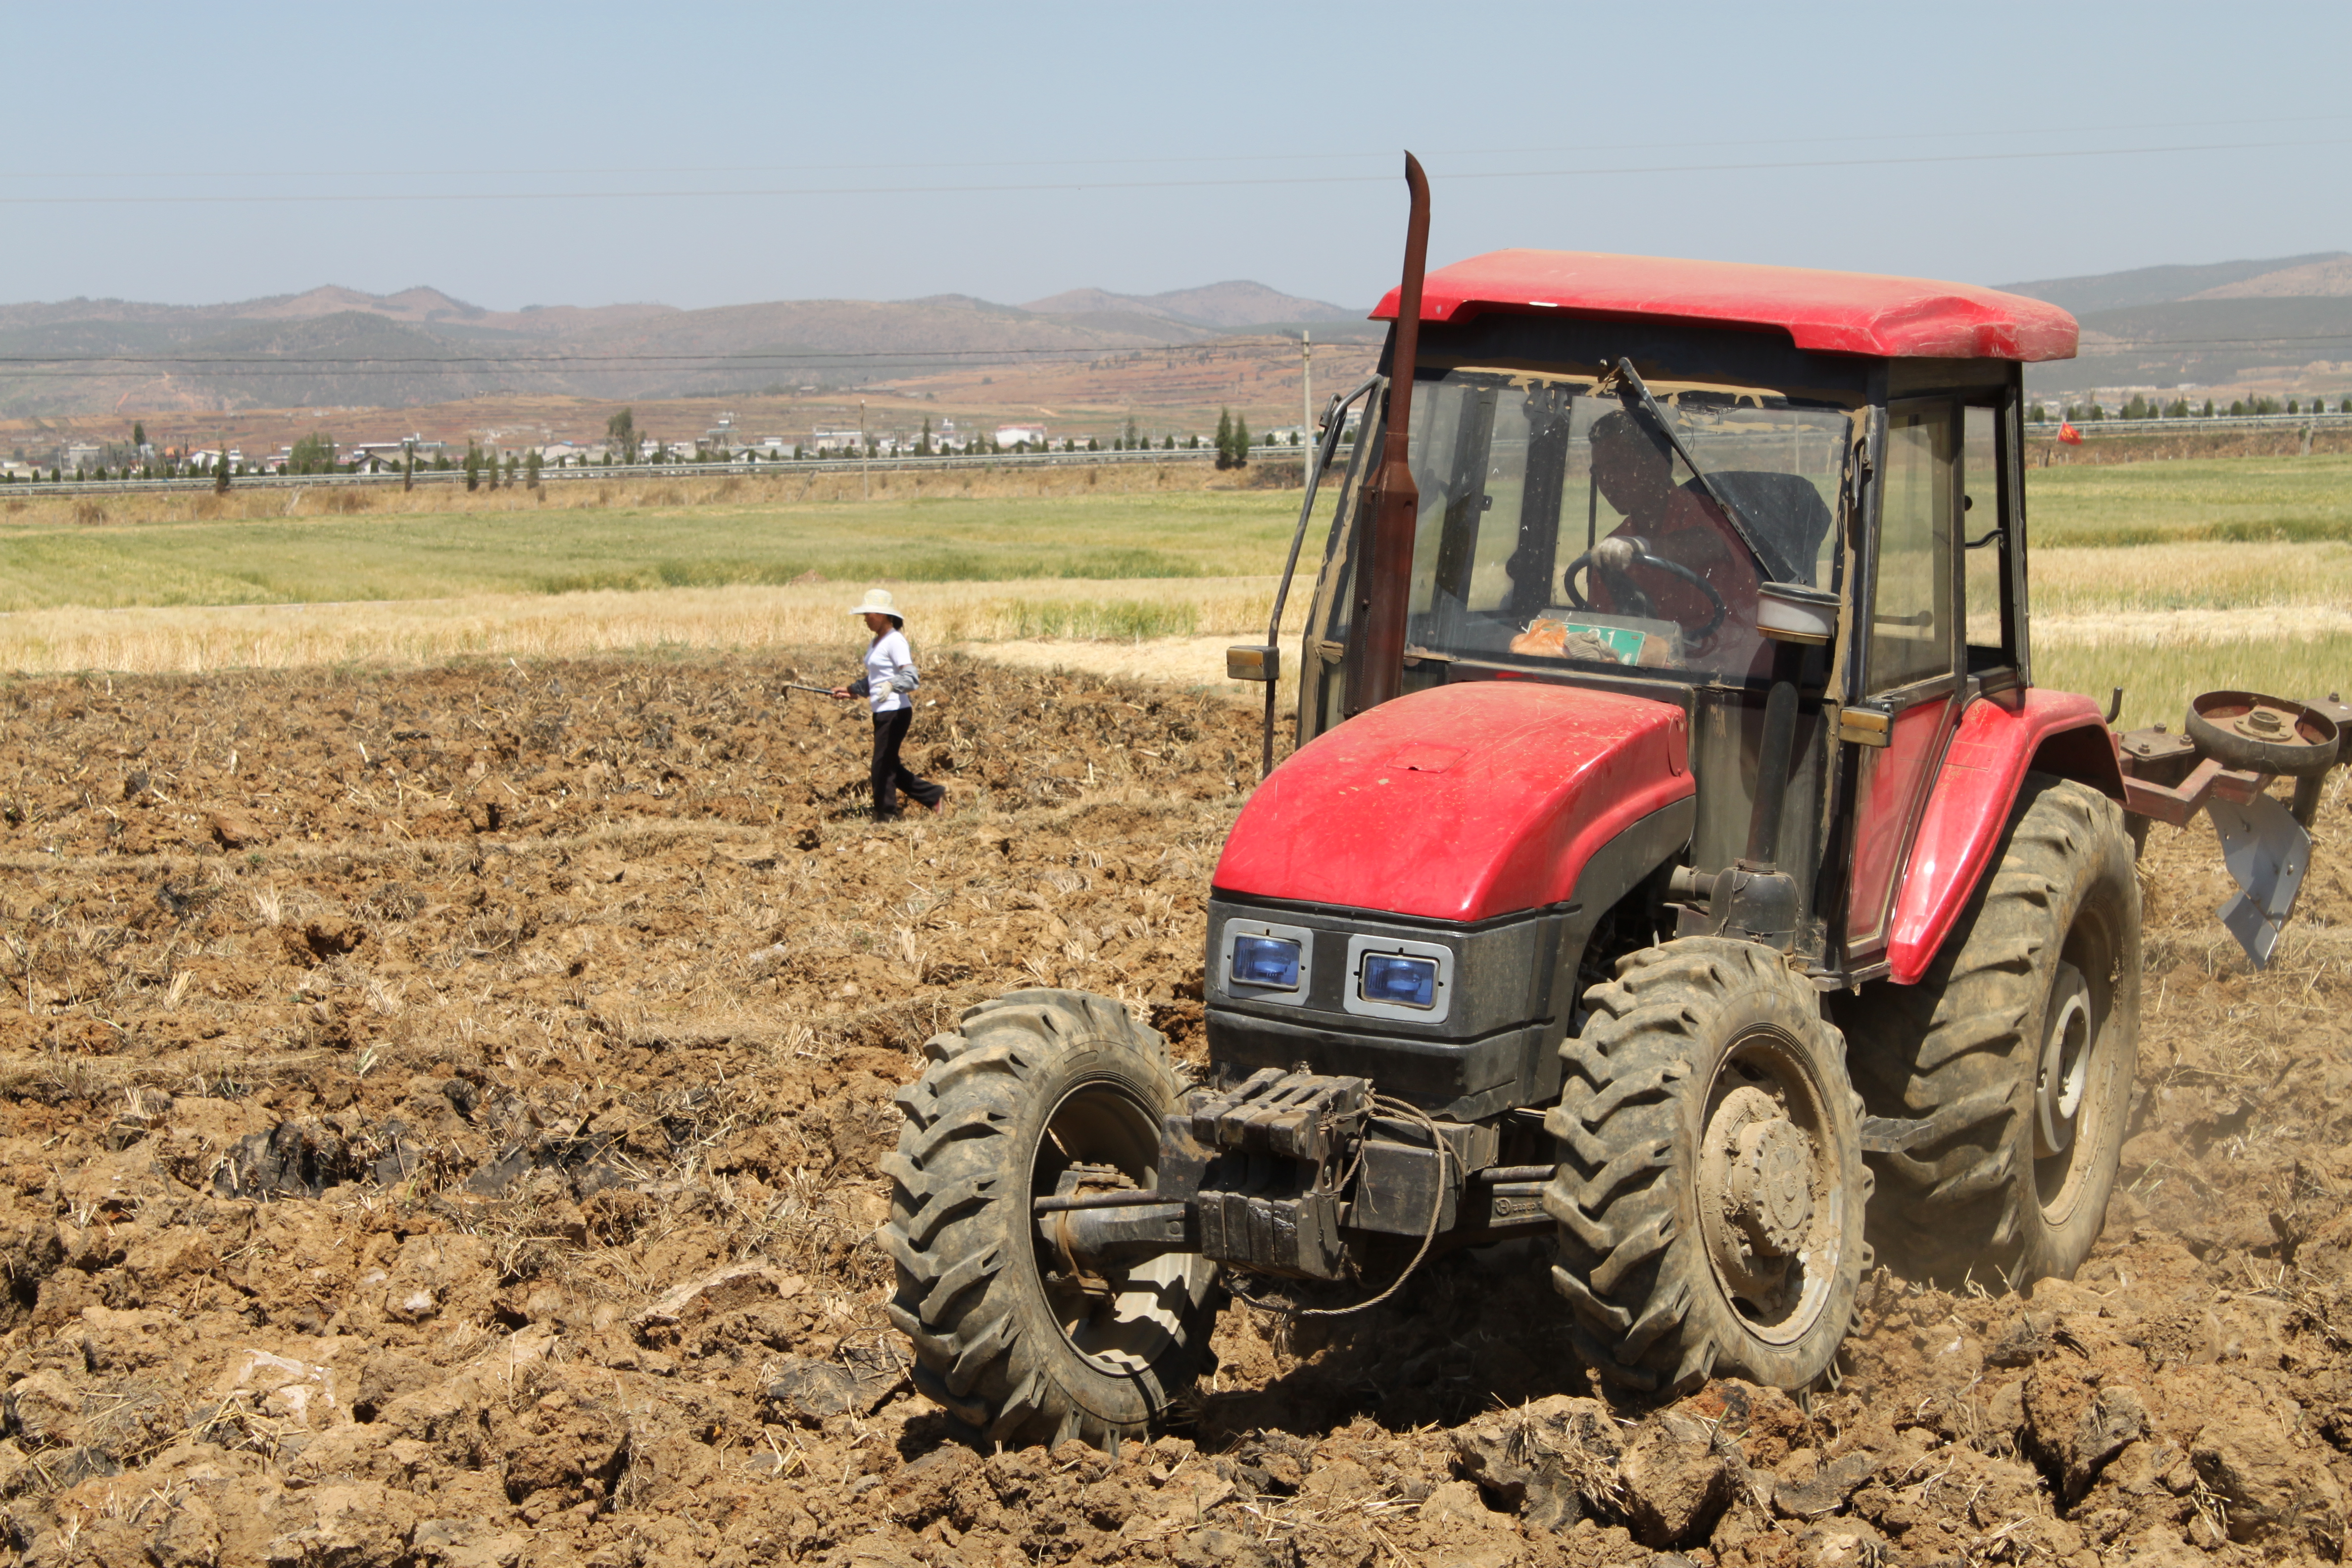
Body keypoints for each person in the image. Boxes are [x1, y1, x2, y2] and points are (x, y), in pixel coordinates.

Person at [1583, 409, 1761, 637]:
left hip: (1732, 652)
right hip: (1660, 655)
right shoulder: (1613, 548)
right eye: (1599, 472)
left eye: (1619, 466)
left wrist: (1639, 546)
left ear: (1659, 465)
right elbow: (1603, 629)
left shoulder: (1711, 513)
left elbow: (1706, 543)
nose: (1607, 481)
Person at [833, 588, 946, 819]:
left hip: (896, 711)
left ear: (883, 615)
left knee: (882, 766)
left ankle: (886, 816)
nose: (865, 619)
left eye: (869, 614)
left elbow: (911, 677)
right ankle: (932, 795)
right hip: (882, 711)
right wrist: (851, 690)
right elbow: (875, 679)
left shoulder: (895, 641)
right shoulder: (876, 642)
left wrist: (892, 685)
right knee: (888, 764)